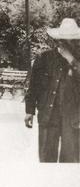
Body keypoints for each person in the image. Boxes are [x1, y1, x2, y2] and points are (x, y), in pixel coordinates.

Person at [25, 18, 80, 163]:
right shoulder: (44, 58)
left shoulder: (78, 59)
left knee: (71, 159)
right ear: (58, 40)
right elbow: (33, 86)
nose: (69, 43)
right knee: (46, 158)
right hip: (49, 114)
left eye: (73, 40)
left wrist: (72, 61)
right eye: (65, 39)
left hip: (73, 116)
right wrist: (29, 111)